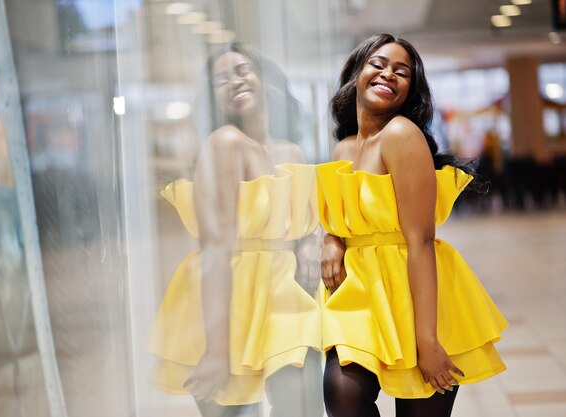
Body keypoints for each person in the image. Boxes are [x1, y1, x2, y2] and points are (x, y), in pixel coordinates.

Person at [317, 33, 508, 417]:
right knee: (343, 400)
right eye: (378, 63)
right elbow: (347, 218)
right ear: (356, 73)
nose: (388, 74)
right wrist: (332, 240)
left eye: (402, 71)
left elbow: (420, 241)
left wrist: (429, 341)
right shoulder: (344, 148)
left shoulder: (401, 135)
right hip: (362, 296)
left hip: (415, 294)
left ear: (410, 90)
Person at [148, 43, 324, 417]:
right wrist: (215, 350)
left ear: (263, 79)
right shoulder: (224, 143)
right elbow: (215, 248)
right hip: (230, 301)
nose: (234, 82)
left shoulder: (291, 152)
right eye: (220, 79)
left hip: (282, 295)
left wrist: (309, 244)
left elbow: (302, 221)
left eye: (242, 70)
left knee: (302, 404)